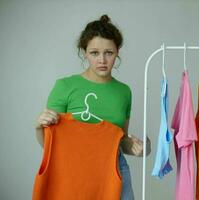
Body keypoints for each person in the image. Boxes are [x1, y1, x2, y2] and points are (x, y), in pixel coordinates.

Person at [34, 14, 151, 200]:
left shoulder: (124, 92)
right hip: (74, 171)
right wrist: (39, 125)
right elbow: (49, 145)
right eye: (94, 53)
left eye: (109, 53)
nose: (102, 60)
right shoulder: (65, 86)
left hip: (114, 169)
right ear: (85, 52)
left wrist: (139, 147)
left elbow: (120, 140)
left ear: (118, 51)